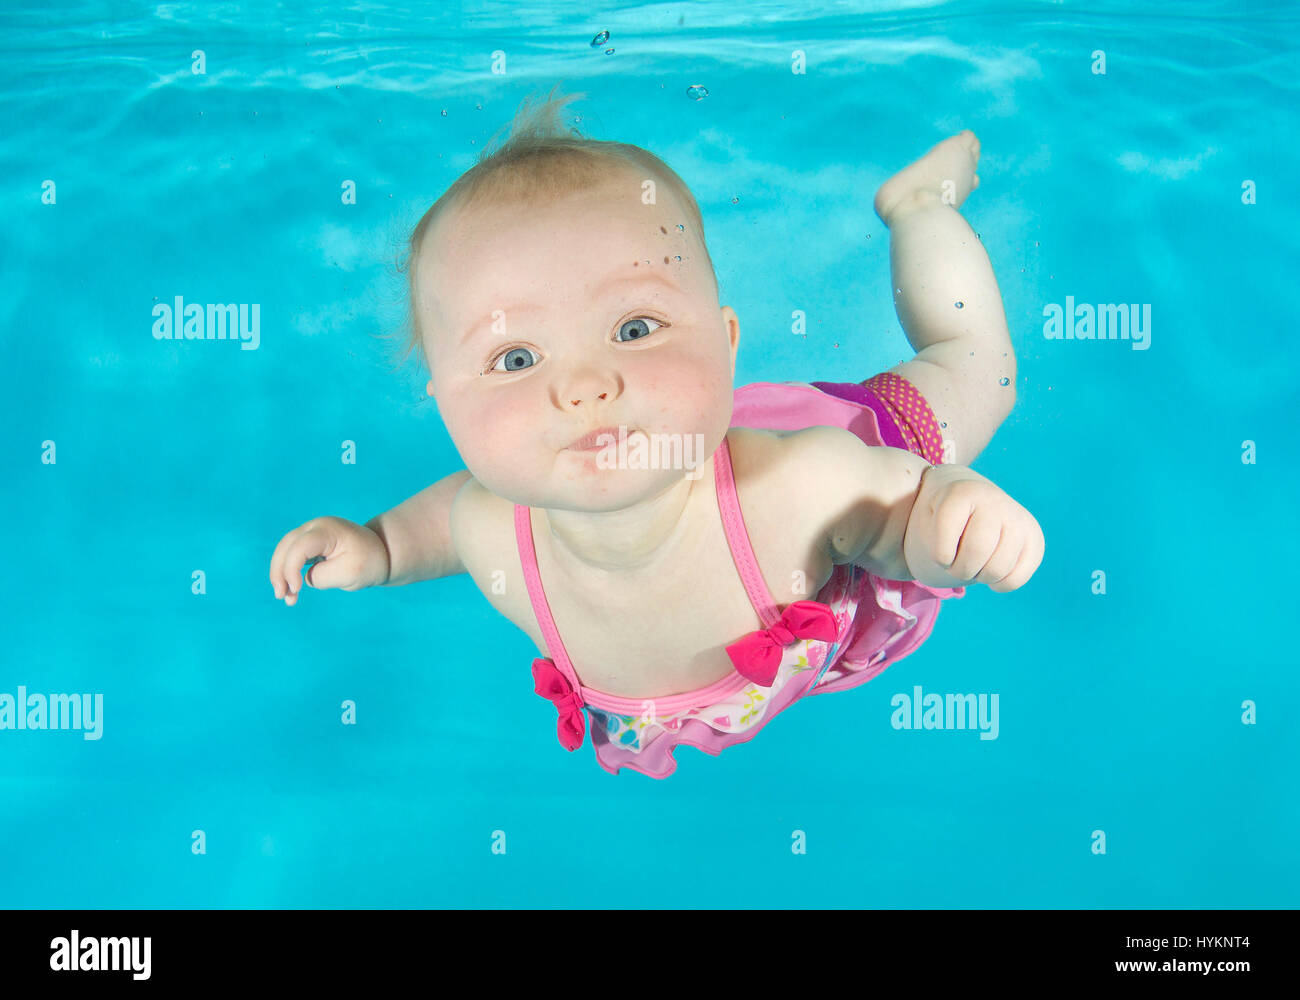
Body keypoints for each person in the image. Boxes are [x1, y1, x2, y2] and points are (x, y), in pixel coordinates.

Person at [268, 85, 1043, 778]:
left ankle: (919, 208)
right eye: (514, 356)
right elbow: (441, 522)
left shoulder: (801, 488)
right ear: (443, 403)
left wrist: (953, 515)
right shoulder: (489, 526)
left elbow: (902, 506)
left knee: (978, 368)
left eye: (635, 327)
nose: (583, 386)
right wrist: (379, 546)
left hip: (808, 456)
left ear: (727, 341)